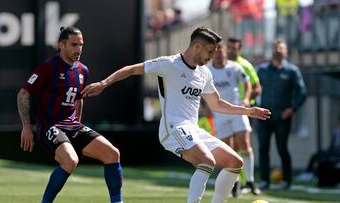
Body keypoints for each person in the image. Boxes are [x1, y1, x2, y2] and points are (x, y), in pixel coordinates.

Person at [82, 27, 271, 203]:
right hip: (172, 128)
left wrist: (248, 111)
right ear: (197, 46)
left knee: (234, 162)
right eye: (210, 51)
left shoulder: (204, 73)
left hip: (193, 129)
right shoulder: (169, 64)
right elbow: (131, 69)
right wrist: (103, 83)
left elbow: (217, 104)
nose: (213, 56)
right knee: (207, 162)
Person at [17, 27, 123, 203]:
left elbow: (79, 99)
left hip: (73, 126)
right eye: (74, 45)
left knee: (113, 154)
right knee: (70, 161)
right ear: (61, 45)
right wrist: (27, 127)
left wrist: (79, 125)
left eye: (81, 45)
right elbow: (23, 94)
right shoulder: (47, 68)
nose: (79, 49)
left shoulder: (83, 70)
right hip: (50, 126)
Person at [207, 42, 260, 196]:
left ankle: (250, 181)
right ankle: (235, 183)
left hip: (237, 110)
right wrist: (205, 105)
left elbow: (247, 82)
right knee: (227, 150)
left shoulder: (235, 67)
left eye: (221, 51)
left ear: (225, 52)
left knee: (244, 143)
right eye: (215, 51)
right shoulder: (207, 71)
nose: (218, 54)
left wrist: (246, 99)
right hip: (219, 114)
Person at [257, 39, 307, 190]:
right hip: (264, 115)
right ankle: (264, 180)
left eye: (282, 48)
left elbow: (302, 92)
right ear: (272, 50)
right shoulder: (262, 69)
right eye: (276, 47)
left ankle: (286, 181)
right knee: (263, 148)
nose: (278, 50)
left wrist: (292, 109)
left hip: (282, 117)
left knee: (282, 148)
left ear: (286, 52)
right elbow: (254, 88)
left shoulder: (292, 71)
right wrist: (254, 105)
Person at [227, 37, 261, 106]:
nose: (230, 51)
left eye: (233, 48)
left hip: (245, 108)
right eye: (228, 47)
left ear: (239, 50)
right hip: (226, 108)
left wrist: (245, 100)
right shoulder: (220, 65)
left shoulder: (246, 66)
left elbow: (257, 89)